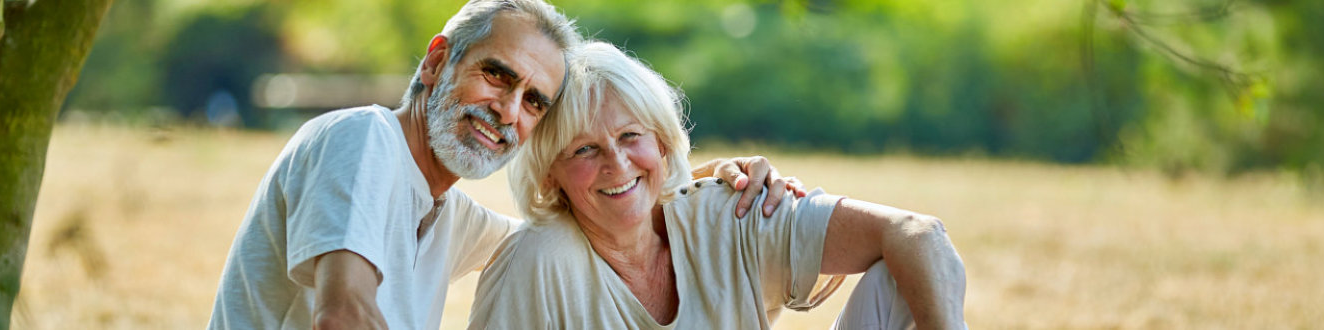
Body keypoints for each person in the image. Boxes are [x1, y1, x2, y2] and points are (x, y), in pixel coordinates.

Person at [206, 1, 805, 329]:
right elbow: (342, 315)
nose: (508, 111)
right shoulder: (364, 139)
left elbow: (582, 227)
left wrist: (688, 181)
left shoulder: (444, 214)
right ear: (437, 62)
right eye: (497, 74)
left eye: (534, 101)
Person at [468, 42, 969, 329]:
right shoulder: (539, 261)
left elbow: (918, 234)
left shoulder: (729, 210)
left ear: (662, 143)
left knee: (899, 278)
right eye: (583, 150)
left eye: (630, 136)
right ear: (549, 175)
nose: (616, 165)